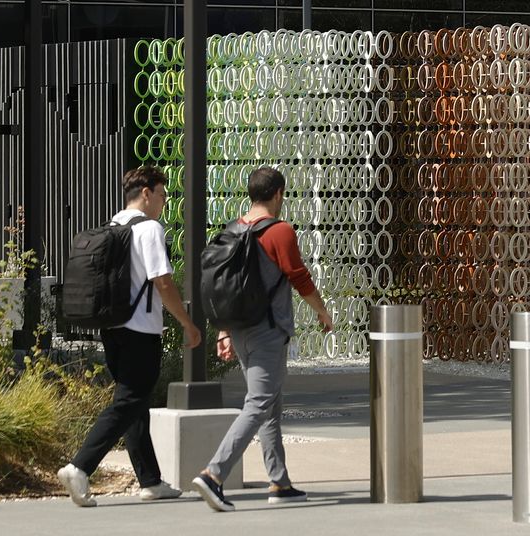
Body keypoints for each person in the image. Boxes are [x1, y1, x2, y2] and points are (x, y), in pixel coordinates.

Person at [58, 166, 202, 507]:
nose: (165, 203)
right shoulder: (149, 229)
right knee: (128, 402)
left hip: (113, 329)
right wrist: (187, 323)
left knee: (135, 405)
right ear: (147, 193)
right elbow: (163, 282)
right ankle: (80, 466)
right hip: (140, 330)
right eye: (163, 195)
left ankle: (150, 481)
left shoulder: (114, 224)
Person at [191, 166, 334, 512]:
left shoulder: (235, 229)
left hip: (239, 328)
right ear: (278, 194)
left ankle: (279, 481)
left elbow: (225, 288)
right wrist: (322, 311)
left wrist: (224, 330)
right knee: (259, 403)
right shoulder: (279, 231)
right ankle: (214, 473)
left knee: (270, 405)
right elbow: (299, 277)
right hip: (267, 330)